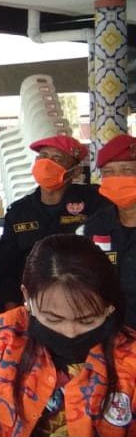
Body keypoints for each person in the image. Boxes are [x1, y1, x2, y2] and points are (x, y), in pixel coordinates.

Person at [0, 234, 136, 437]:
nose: (70, 332)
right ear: (27, 298)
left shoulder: (131, 355)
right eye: (53, 319)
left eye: (87, 320)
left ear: (110, 306)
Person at [0, 134, 105, 308]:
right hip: (31, 302)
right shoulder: (19, 212)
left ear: (75, 171)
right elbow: (5, 269)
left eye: (57, 159)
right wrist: (15, 311)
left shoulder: (95, 202)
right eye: (43, 157)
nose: (47, 164)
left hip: (82, 301)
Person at [82, 133, 136, 324]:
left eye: (127, 171)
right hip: (109, 331)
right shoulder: (97, 225)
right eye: (109, 173)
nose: (117, 179)